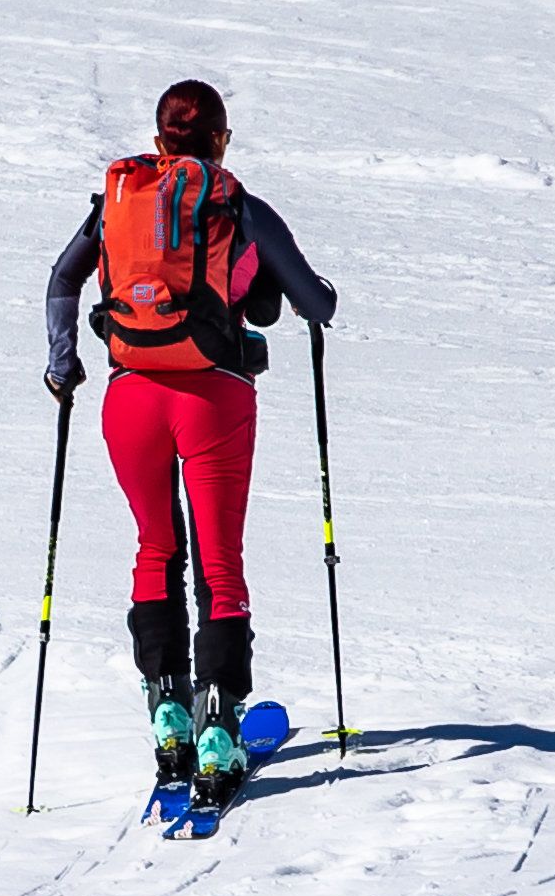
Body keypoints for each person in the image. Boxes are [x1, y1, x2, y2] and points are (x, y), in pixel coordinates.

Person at [44, 81, 336, 807]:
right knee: (219, 562)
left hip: (130, 396)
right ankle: (217, 728)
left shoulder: (119, 201)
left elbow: (61, 281)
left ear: (160, 138)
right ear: (218, 140)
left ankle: (167, 714)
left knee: (154, 547)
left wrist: (62, 363)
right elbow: (318, 304)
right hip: (214, 397)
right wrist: (298, 287)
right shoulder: (235, 203)